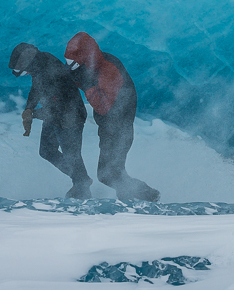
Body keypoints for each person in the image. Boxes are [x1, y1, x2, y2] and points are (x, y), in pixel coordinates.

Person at [64, 32, 160, 202]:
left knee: (108, 174)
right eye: (67, 62)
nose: (69, 66)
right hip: (108, 126)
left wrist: (85, 84)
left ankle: (151, 196)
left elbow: (103, 106)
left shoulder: (108, 70)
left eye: (72, 63)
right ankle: (130, 205)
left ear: (84, 58)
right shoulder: (93, 64)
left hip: (119, 127)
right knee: (115, 173)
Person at [9, 42, 93, 199]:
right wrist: (29, 108)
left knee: (72, 155)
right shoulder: (39, 63)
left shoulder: (49, 72)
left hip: (70, 117)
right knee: (47, 151)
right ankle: (81, 179)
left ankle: (83, 193)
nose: (25, 74)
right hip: (55, 115)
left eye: (23, 72)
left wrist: (33, 114)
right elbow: (36, 88)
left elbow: (56, 110)